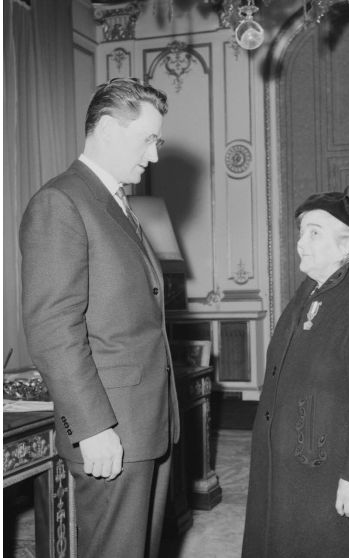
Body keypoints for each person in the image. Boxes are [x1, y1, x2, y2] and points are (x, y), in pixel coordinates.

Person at [20, 78, 180, 558]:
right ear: (109, 129)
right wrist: (91, 428)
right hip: (111, 428)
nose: (154, 156)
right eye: (149, 138)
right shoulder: (62, 202)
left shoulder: (114, 203)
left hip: (145, 421)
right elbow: (53, 327)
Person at [242, 190, 349, 558]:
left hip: (337, 472)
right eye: (301, 232)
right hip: (295, 470)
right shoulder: (308, 293)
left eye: (314, 233)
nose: (301, 243)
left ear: (348, 244)